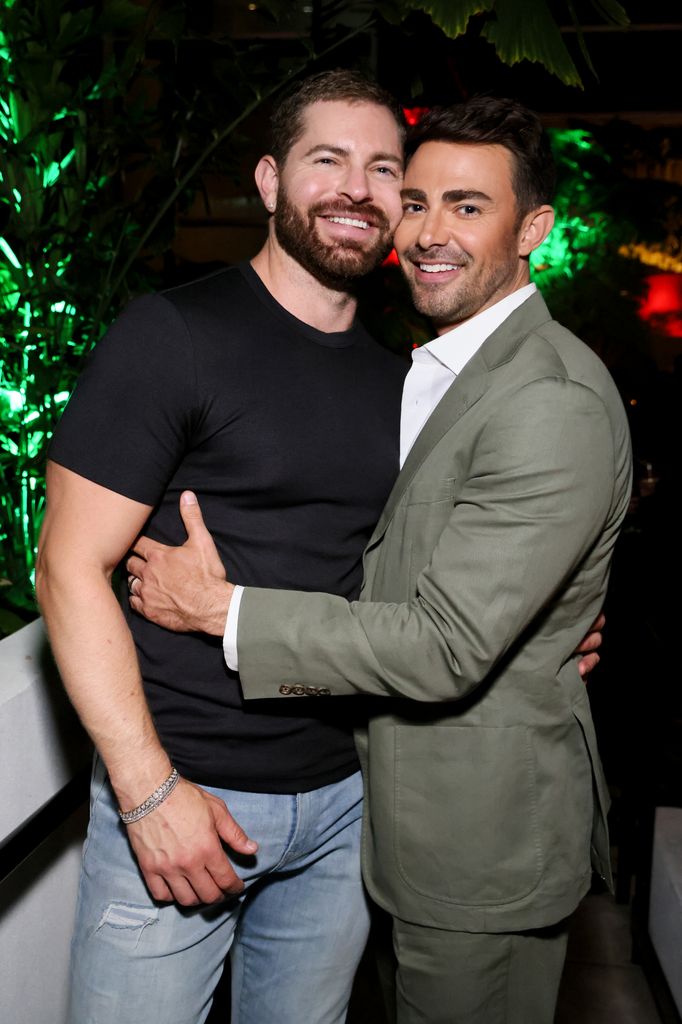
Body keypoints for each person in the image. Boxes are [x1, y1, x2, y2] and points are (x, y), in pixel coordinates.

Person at [125, 96, 631, 1023]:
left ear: (533, 230)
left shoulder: (547, 398)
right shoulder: (433, 369)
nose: (430, 234)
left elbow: (444, 646)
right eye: (419, 202)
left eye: (468, 207)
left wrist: (222, 609)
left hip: (479, 853)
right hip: (395, 828)